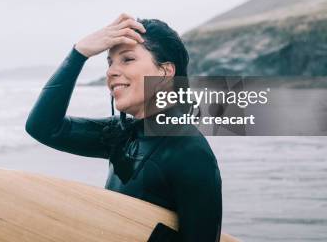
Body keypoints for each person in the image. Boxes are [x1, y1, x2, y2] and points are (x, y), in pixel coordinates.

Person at [25, 13, 222, 242]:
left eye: (127, 59)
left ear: (165, 72)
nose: (111, 72)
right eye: (110, 63)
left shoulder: (190, 152)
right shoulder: (121, 134)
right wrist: (79, 53)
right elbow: (43, 127)